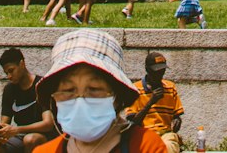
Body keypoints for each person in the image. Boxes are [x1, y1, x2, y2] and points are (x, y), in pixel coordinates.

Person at [32, 29, 167, 153]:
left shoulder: (145, 146)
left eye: (94, 89)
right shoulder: (45, 151)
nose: (80, 101)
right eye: (68, 90)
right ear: (54, 99)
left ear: (117, 97)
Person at [0, 46, 55, 153]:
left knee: (30, 139)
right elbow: (4, 123)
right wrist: (1, 134)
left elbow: (48, 124)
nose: (9, 76)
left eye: (11, 71)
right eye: (6, 73)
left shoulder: (41, 86)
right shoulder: (9, 90)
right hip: (19, 137)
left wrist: (17, 130)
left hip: (44, 137)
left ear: (22, 64)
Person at [128, 51, 184, 153]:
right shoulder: (135, 90)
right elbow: (132, 123)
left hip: (165, 134)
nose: (160, 75)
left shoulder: (170, 87)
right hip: (144, 134)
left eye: (162, 71)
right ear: (147, 70)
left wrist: (177, 121)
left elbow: (177, 116)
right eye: (156, 71)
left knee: (168, 147)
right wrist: (151, 102)